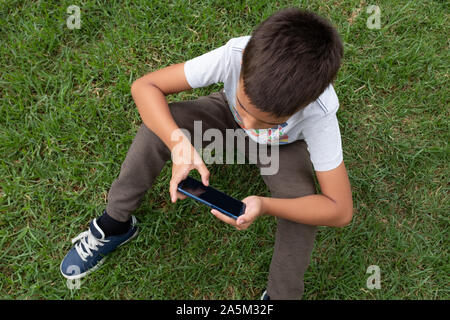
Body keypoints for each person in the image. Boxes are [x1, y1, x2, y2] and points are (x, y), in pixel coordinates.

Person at [60, 7, 353, 300]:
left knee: (302, 207)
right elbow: (145, 86)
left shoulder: (320, 111)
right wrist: (178, 143)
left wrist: (265, 205)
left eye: (268, 120)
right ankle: (115, 223)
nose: (250, 127)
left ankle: (281, 296)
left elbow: (339, 209)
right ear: (245, 62)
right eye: (246, 106)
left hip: (283, 146)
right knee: (159, 127)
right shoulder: (235, 54)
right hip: (224, 116)